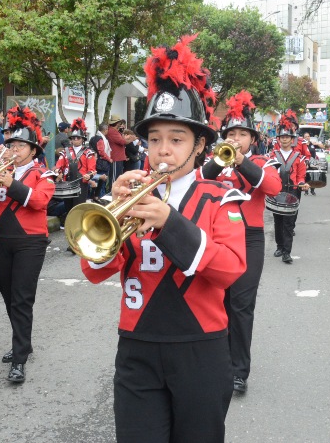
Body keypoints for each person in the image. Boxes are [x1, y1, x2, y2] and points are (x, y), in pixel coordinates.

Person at [80, 35, 247, 443]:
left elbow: (230, 270)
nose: (163, 151)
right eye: (154, 139)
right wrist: (113, 212)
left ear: (200, 145)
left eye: (176, 139)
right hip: (136, 345)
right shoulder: (132, 191)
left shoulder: (219, 197)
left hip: (200, 348)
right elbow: (95, 270)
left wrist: (169, 223)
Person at [199, 90, 281, 394]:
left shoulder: (262, 161)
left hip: (249, 239)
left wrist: (243, 161)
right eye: (231, 133)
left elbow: (272, 187)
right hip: (216, 239)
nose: (236, 138)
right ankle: (215, 362)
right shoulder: (215, 161)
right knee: (215, 302)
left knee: (241, 305)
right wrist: (221, 161)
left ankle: (238, 371)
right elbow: (200, 182)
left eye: (242, 134)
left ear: (252, 138)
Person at [0, 105, 54, 384]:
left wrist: (10, 182)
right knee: (7, 293)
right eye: (12, 145)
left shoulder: (43, 175)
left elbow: (39, 201)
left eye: (21, 146)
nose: (15, 150)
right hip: (1, 237)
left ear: (33, 150)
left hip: (30, 241)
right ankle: (24, 341)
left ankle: (19, 357)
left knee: (22, 298)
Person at [269, 110, 310, 264]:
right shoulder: (272, 156)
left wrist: (302, 184)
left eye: (287, 137)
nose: (285, 139)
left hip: (292, 191)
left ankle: (287, 252)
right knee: (278, 221)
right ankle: (279, 246)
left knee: (288, 222)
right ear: (278, 139)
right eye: (282, 137)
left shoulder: (299, 157)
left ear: (292, 139)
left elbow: (300, 177)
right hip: (277, 191)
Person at [54, 118, 95, 222]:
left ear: (82, 139)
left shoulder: (88, 152)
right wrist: (57, 172)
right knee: (68, 207)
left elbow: (92, 170)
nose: (75, 140)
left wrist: (89, 175)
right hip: (67, 182)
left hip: (81, 183)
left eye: (78, 138)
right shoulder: (65, 152)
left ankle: (78, 226)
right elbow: (59, 165)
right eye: (73, 138)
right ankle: (69, 226)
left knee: (78, 208)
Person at [89, 123, 111, 199]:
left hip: (95, 162)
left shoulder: (92, 138)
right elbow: (101, 152)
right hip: (101, 163)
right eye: (107, 129)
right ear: (105, 130)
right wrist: (109, 159)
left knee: (95, 181)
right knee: (101, 182)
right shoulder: (100, 139)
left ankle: (94, 197)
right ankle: (100, 198)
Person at [106, 114, 127, 184]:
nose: (120, 125)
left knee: (118, 177)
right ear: (117, 123)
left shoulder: (114, 131)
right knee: (115, 178)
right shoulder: (112, 131)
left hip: (118, 157)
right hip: (116, 157)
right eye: (119, 123)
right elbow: (122, 141)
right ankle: (112, 192)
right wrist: (126, 138)